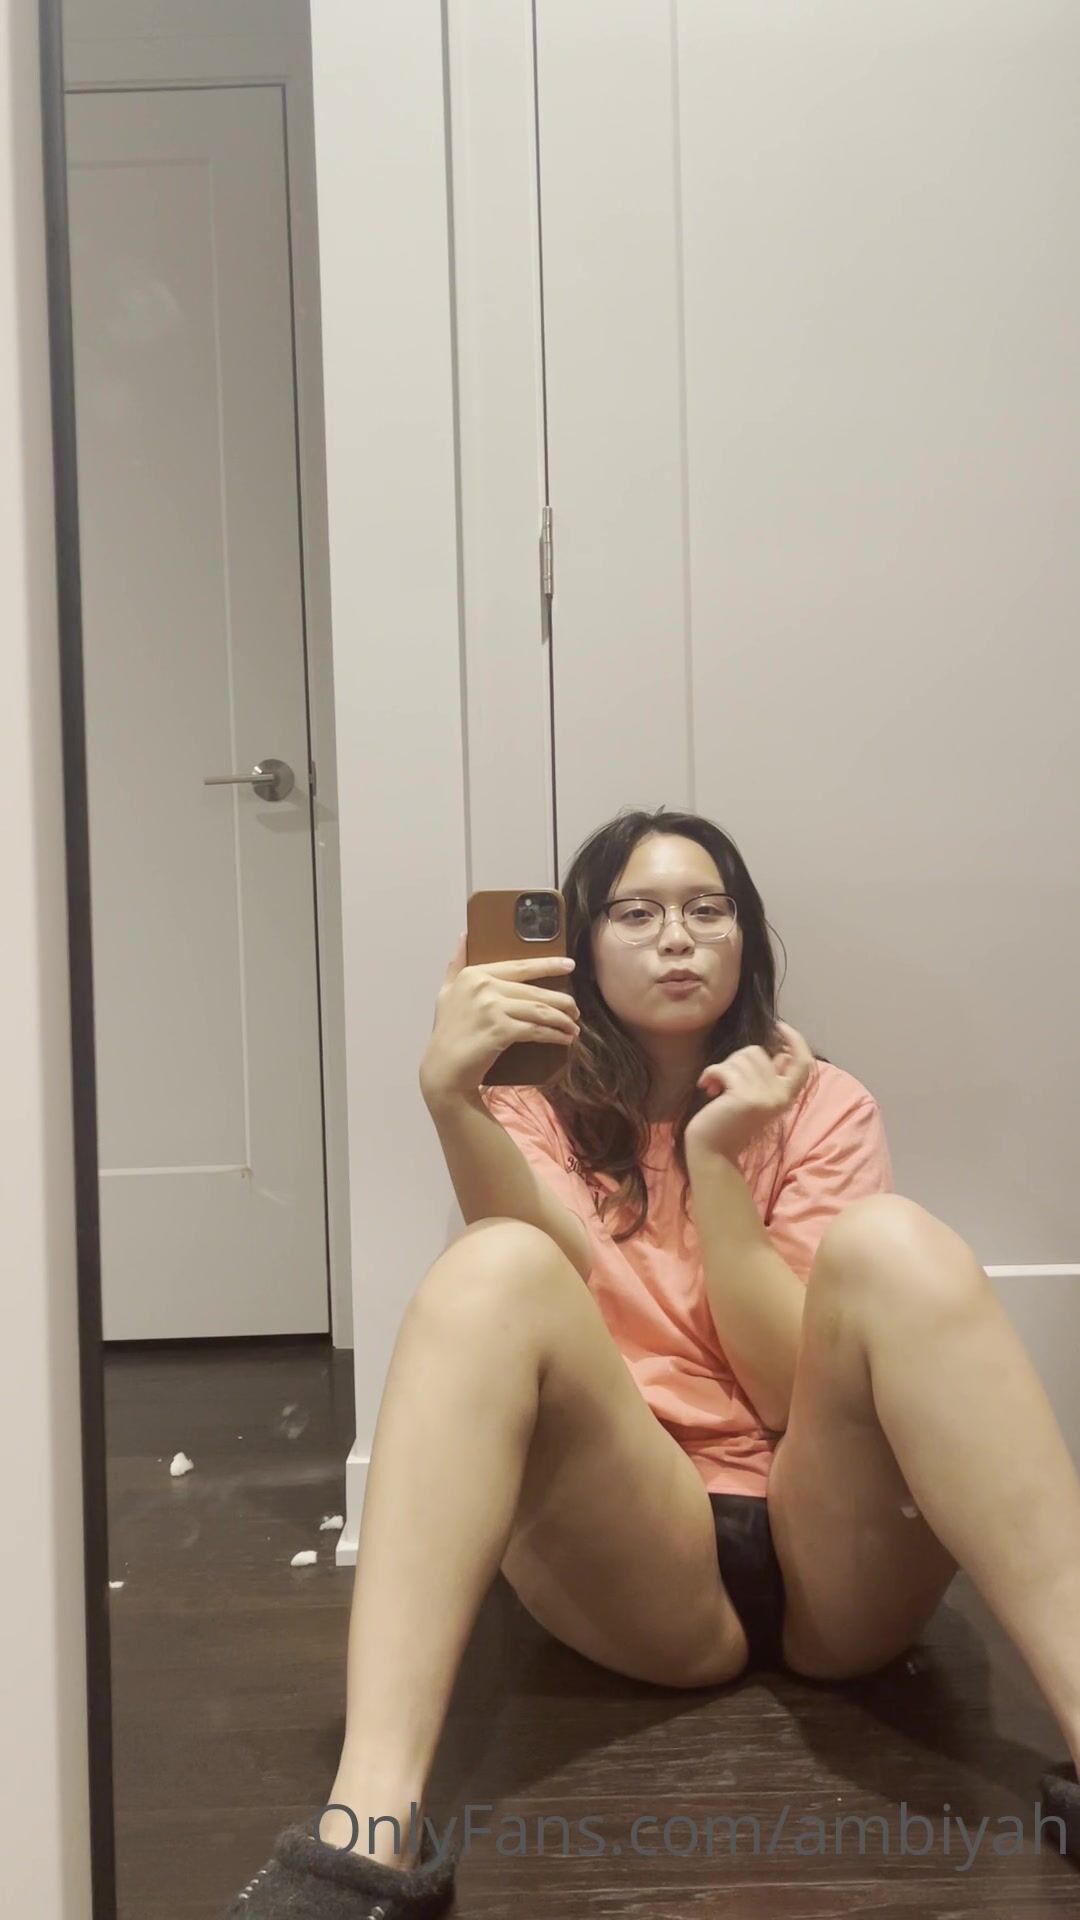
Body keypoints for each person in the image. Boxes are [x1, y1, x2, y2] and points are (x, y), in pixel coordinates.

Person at [226, 806, 1080, 1916]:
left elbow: (784, 1391)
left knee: (897, 1243)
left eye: (706, 910)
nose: (677, 937)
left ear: (745, 938)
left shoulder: (821, 1104)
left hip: (834, 1545)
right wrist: (451, 1100)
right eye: (636, 913)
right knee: (492, 1265)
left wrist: (717, 1164)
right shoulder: (529, 1105)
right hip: (644, 1551)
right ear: (580, 946)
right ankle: (369, 1831)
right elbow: (538, 1269)